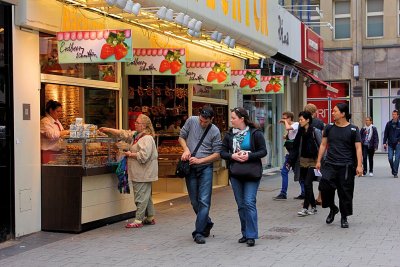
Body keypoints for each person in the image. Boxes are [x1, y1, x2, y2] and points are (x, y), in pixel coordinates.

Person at [99, 114, 158, 228]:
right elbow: (124, 133)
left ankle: (138, 220)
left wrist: (130, 154)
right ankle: (150, 217)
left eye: (137, 122)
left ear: (144, 125)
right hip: (141, 172)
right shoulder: (137, 135)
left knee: (140, 196)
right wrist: (108, 129)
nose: (135, 124)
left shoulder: (147, 138)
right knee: (146, 195)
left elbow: (144, 156)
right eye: (135, 122)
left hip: (143, 172)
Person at [220, 107, 267, 247]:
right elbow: (222, 152)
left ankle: (252, 235)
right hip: (236, 173)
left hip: (252, 172)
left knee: (249, 202)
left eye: (233, 117)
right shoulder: (229, 135)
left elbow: (263, 151)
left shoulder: (255, 133)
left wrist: (249, 155)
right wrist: (232, 155)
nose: (231, 120)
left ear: (242, 119)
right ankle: (245, 233)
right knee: (241, 205)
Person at [178, 106, 222, 244]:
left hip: (205, 168)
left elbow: (217, 154)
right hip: (190, 167)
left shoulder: (215, 131)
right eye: (201, 120)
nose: (203, 123)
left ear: (211, 119)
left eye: (206, 122)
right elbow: (181, 137)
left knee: (204, 200)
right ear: (199, 116)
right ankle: (206, 223)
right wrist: (185, 150)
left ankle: (198, 232)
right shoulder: (191, 121)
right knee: (194, 201)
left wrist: (200, 160)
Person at [316, 103, 362, 228]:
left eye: (335, 111)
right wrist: (319, 160)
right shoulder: (329, 127)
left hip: (346, 166)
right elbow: (323, 145)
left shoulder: (353, 129)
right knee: (324, 187)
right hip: (330, 164)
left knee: (345, 193)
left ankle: (344, 217)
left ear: (343, 114)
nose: (332, 113)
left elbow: (358, 148)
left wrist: (359, 165)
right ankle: (333, 208)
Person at [287, 111, 321, 216]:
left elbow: (321, 146)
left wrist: (320, 161)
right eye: (299, 119)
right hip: (303, 162)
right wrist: (290, 161)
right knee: (308, 185)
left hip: (313, 162)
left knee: (307, 184)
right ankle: (314, 207)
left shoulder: (315, 131)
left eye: (301, 119)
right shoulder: (300, 132)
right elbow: (295, 147)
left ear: (307, 120)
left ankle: (305, 208)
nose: (300, 121)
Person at [273, 111, 304, 200]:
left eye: (285, 118)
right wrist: (286, 136)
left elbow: (288, 127)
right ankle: (303, 192)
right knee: (296, 173)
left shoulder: (296, 124)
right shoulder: (293, 126)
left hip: (294, 155)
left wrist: (285, 122)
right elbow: (290, 136)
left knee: (287, 172)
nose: (283, 120)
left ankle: (284, 193)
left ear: (290, 118)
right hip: (291, 154)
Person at [304, 103, 325, 205]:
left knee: (307, 178)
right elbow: (322, 139)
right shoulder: (320, 122)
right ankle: (320, 197)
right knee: (320, 176)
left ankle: (308, 199)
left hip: (306, 154)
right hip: (317, 153)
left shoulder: (304, 121)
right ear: (314, 111)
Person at [383, 110, 400, 178]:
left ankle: (395, 173)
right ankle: (393, 169)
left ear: (398, 115)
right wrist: (384, 142)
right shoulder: (389, 124)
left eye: (395, 114)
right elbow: (385, 133)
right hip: (390, 143)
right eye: (393, 114)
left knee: (397, 158)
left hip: (398, 143)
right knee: (390, 158)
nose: (393, 115)